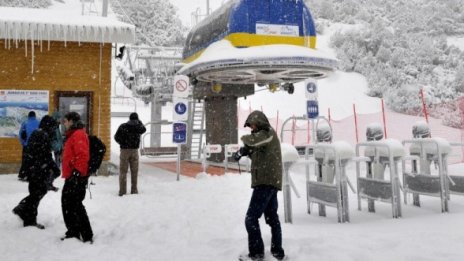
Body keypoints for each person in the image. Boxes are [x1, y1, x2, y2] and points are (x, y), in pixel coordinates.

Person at [235, 111, 285, 261]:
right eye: (251, 126)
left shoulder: (268, 133)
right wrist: (244, 152)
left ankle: (257, 254)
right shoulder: (263, 137)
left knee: (251, 218)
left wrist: (245, 142)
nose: (252, 128)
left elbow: (253, 141)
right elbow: (258, 152)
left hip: (266, 182)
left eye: (253, 124)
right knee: (272, 218)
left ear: (260, 122)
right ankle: (277, 252)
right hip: (268, 182)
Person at [12, 115, 59, 229]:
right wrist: (54, 168)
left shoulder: (37, 133)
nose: (53, 129)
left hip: (34, 169)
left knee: (36, 193)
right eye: (53, 127)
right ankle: (24, 211)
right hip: (38, 170)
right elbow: (45, 156)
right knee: (37, 193)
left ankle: (27, 216)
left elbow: (33, 153)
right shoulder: (42, 135)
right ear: (48, 126)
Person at [60, 112, 93, 243]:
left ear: (72, 121)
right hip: (73, 175)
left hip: (76, 177)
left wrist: (77, 173)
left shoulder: (78, 134)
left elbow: (83, 155)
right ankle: (74, 232)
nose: (64, 123)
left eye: (66, 120)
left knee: (74, 205)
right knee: (70, 205)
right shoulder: (73, 134)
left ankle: (85, 235)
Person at [114, 112, 146, 196]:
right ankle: (134, 190)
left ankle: (122, 191)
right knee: (134, 171)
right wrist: (139, 121)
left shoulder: (123, 126)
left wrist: (122, 143)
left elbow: (116, 137)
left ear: (129, 118)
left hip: (124, 151)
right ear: (137, 119)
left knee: (123, 171)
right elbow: (144, 129)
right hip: (134, 151)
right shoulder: (138, 127)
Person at [18, 111, 40, 181]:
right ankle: (34, 175)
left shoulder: (25, 123)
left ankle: (23, 174)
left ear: (28, 116)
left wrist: (23, 143)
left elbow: (21, 134)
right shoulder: (39, 123)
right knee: (35, 160)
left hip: (27, 145)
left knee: (25, 160)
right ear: (35, 116)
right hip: (36, 146)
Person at [48, 111, 64, 191]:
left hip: (57, 149)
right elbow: (52, 139)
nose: (60, 120)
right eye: (59, 118)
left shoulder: (57, 126)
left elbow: (58, 138)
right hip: (53, 149)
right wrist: (56, 146)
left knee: (56, 168)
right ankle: (48, 183)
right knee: (54, 169)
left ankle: (49, 183)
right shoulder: (53, 127)